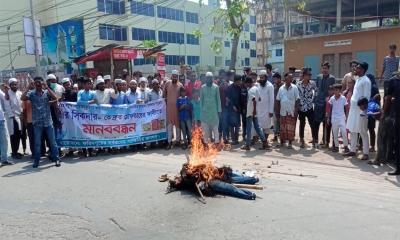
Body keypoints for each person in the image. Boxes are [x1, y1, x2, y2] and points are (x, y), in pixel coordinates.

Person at [21, 77, 61, 168]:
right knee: (37, 143)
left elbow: (55, 97)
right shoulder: (31, 94)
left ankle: (57, 159)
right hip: (37, 123)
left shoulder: (46, 93)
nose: (38, 84)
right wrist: (28, 87)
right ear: (34, 84)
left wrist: (47, 87)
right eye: (36, 83)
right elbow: (22, 98)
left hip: (48, 122)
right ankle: (37, 160)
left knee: (53, 142)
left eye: (40, 82)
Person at [344, 62, 371, 160]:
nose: (356, 69)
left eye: (358, 68)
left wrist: (363, 110)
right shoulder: (358, 79)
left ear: (363, 70)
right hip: (353, 109)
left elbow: (366, 97)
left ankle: (366, 153)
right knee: (352, 130)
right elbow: (353, 75)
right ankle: (352, 150)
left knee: (363, 131)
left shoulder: (366, 81)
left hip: (361, 110)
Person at [241, 77, 269, 151]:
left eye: (246, 83)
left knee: (248, 129)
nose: (245, 84)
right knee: (257, 127)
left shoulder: (251, 90)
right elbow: (259, 99)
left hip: (250, 112)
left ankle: (247, 145)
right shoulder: (256, 88)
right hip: (254, 112)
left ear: (248, 83)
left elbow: (254, 101)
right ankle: (264, 142)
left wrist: (253, 111)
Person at [314, 62, 336, 147]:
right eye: (323, 68)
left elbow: (333, 91)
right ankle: (315, 140)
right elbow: (316, 89)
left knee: (326, 123)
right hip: (318, 103)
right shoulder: (318, 77)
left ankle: (325, 141)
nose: (324, 70)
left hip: (327, 103)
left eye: (326, 68)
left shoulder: (332, 78)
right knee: (316, 122)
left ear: (328, 69)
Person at [276, 73, 300, 149]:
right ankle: (282, 142)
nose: (291, 79)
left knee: (290, 128)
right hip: (282, 111)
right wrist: (277, 111)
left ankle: (290, 143)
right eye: (289, 78)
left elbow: (297, 100)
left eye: (291, 78)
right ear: (285, 79)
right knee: (282, 128)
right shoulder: (281, 88)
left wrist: (296, 110)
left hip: (291, 111)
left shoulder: (295, 88)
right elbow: (277, 100)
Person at [296, 68, 317, 148]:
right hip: (301, 108)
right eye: (309, 75)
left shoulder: (312, 84)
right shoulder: (298, 84)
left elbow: (316, 91)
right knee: (302, 124)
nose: (310, 76)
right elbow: (296, 96)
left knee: (312, 124)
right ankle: (302, 140)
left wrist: (313, 99)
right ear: (304, 76)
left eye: (310, 75)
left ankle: (314, 140)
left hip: (309, 107)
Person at [200, 72, 222, 146]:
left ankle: (216, 143)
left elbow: (218, 99)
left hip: (214, 112)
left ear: (212, 78)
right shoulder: (202, 87)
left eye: (210, 78)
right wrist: (201, 112)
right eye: (207, 78)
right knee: (205, 130)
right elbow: (201, 100)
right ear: (206, 79)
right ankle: (206, 143)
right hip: (205, 112)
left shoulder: (216, 87)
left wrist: (219, 111)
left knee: (215, 128)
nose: (209, 79)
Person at [164, 70, 183, 149]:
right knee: (170, 126)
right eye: (173, 76)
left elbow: (182, 95)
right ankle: (169, 142)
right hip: (169, 109)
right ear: (171, 76)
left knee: (178, 126)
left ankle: (178, 141)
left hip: (177, 109)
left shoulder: (180, 85)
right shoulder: (167, 83)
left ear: (178, 77)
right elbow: (164, 94)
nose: (175, 77)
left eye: (176, 76)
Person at [77, 79, 96, 157]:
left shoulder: (92, 93)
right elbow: (78, 102)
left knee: (90, 132)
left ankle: (90, 150)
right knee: (82, 133)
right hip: (82, 116)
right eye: (88, 84)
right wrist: (89, 102)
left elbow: (95, 101)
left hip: (90, 116)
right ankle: (84, 151)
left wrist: (88, 103)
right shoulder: (80, 92)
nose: (89, 85)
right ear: (84, 85)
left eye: (90, 84)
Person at [4, 78, 23, 159]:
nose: (14, 86)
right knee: (13, 135)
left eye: (15, 84)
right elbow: (7, 107)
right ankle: (14, 152)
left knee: (19, 135)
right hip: (12, 118)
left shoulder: (20, 93)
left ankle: (16, 151)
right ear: (10, 85)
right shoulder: (7, 94)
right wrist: (13, 117)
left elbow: (21, 105)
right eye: (12, 85)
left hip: (20, 117)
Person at [386, 73, 400, 175]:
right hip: (397, 115)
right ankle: (398, 167)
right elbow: (388, 97)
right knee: (398, 141)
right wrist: (384, 111)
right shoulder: (393, 81)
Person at [328, 84, 349, 153]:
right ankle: (336, 147)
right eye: (334, 90)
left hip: (342, 118)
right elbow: (330, 109)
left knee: (344, 132)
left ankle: (345, 146)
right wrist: (329, 117)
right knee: (335, 133)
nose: (335, 91)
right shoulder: (332, 98)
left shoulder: (343, 98)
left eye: (337, 90)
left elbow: (346, 108)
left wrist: (347, 116)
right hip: (334, 118)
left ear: (340, 91)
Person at [256, 70, 274, 147]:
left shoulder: (270, 86)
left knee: (267, 127)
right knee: (260, 126)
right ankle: (263, 140)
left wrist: (271, 111)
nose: (261, 79)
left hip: (267, 110)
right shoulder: (258, 85)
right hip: (259, 109)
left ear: (266, 77)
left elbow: (272, 99)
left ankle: (265, 141)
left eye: (262, 77)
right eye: (260, 77)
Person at [226, 75, 242, 145]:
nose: (240, 82)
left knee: (237, 125)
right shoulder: (229, 88)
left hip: (238, 109)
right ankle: (233, 139)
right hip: (231, 109)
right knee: (231, 125)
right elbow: (228, 98)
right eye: (239, 81)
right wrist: (233, 106)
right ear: (236, 81)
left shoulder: (239, 88)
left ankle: (236, 139)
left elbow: (240, 98)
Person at [0, 86, 12, 166]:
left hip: (1, 119)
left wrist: (7, 91)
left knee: (4, 140)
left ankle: (4, 159)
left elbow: (6, 98)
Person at [218, 71, 230, 143]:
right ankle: (219, 137)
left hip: (225, 107)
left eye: (223, 76)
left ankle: (225, 137)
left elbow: (229, 95)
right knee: (219, 123)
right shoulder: (217, 85)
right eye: (221, 76)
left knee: (225, 122)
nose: (222, 77)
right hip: (219, 107)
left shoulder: (227, 85)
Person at [272, 73, 283, 142]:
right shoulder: (274, 86)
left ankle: (281, 136)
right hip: (275, 107)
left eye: (275, 79)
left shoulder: (283, 86)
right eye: (274, 79)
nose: (274, 80)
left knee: (281, 122)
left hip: (282, 107)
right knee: (275, 122)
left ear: (279, 79)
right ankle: (275, 136)